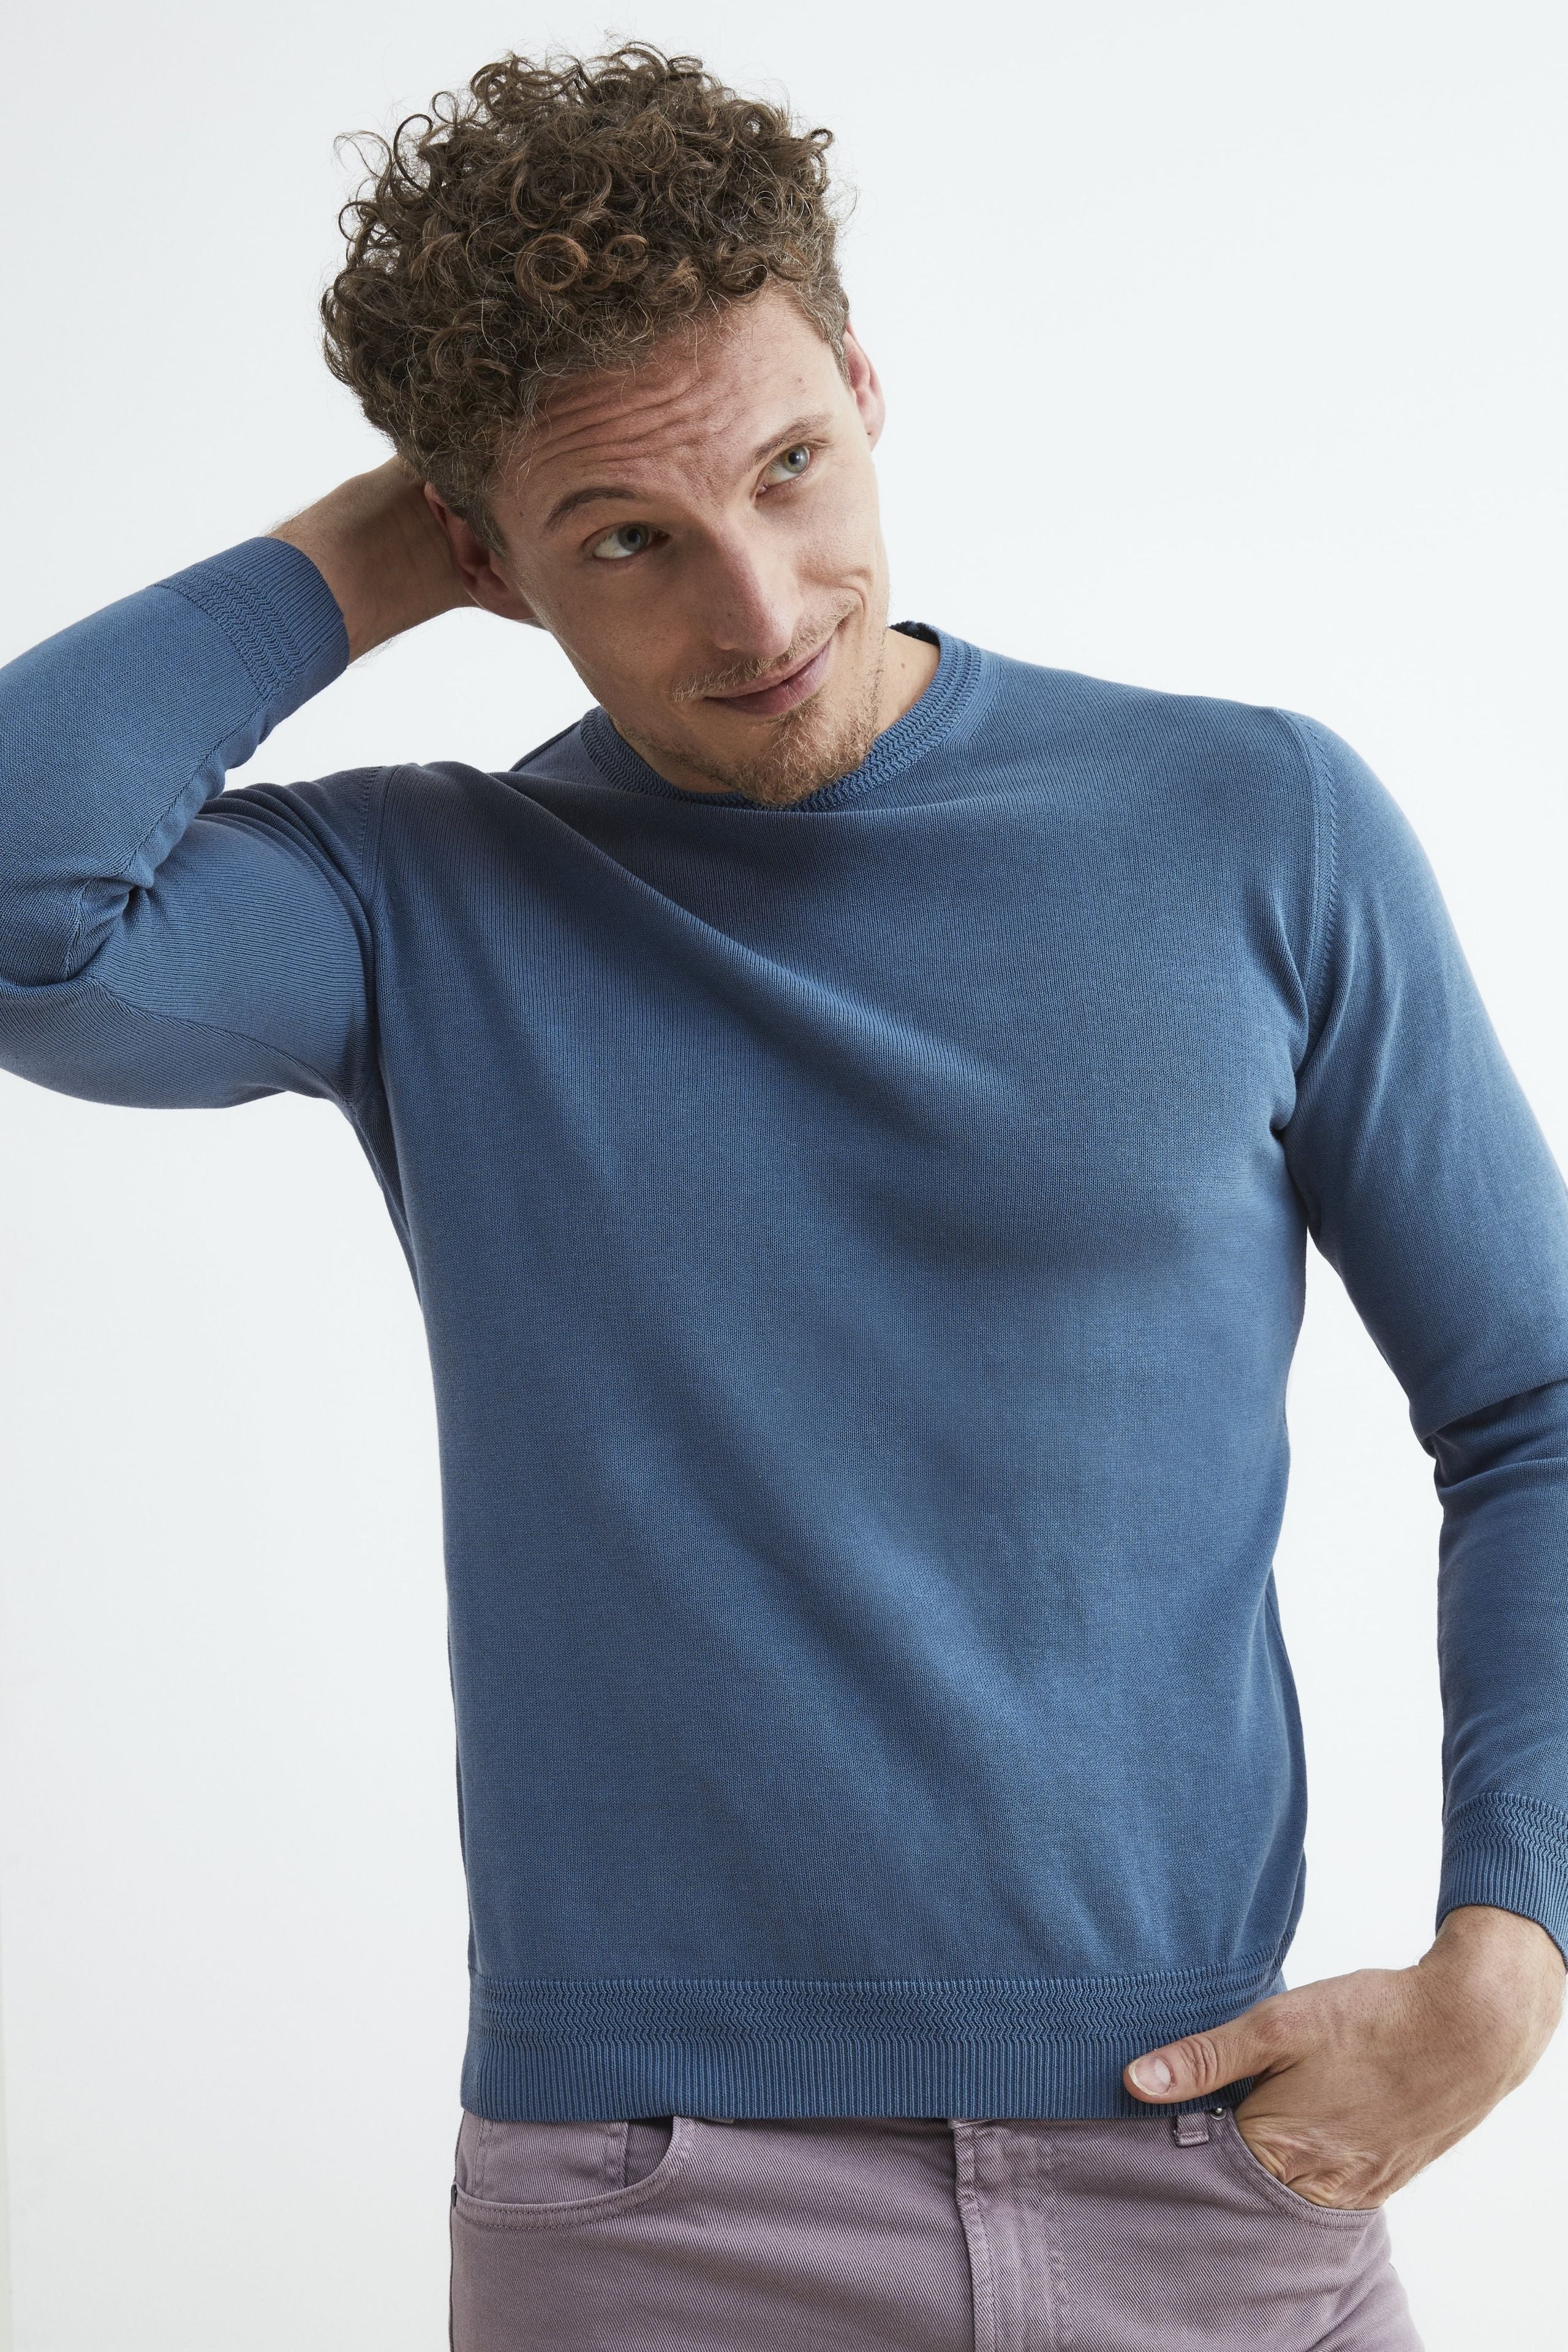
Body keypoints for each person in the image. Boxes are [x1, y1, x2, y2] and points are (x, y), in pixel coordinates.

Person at [2, 42, 1564, 2351]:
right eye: (624, 538)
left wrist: (1507, 1957)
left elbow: (1535, 1408)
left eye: (790, 468)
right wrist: (361, 557)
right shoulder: (420, 898)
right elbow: (26, 910)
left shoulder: (1255, 825)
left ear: (862, 378)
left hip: (1218, 2163)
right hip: (660, 2214)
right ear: (487, 559)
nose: (756, 611)